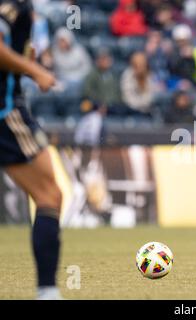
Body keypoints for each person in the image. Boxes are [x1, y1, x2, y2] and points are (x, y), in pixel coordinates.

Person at [0, 0, 62, 299]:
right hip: (5, 114)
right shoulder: (10, 6)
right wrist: (34, 70)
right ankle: (47, 292)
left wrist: (25, 59)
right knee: (49, 195)